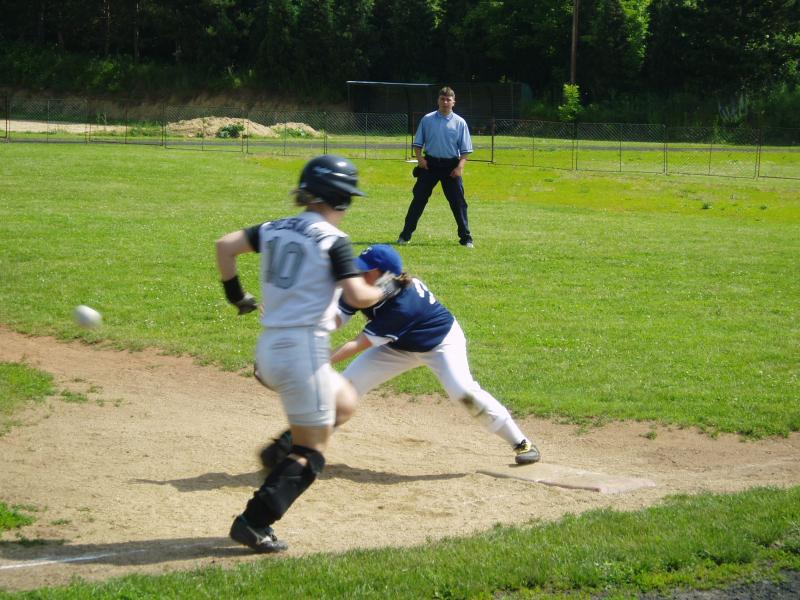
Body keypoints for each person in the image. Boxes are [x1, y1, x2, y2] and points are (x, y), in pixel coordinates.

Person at [216, 155, 400, 553]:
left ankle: (278, 453)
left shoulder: (273, 228)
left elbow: (225, 247)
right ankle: (254, 522)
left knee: (345, 401)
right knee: (312, 453)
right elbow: (356, 295)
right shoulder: (334, 241)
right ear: (337, 198)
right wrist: (386, 289)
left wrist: (239, 297)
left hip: (270, 349)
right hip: (303, 352)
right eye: (346, 199)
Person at [260, 245, 540, 471]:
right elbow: (334, 319)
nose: (359, 275)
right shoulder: (360, 289)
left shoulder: (404, 304)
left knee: (464, 393)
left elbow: (357, 344)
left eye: (366, 272)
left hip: (441, 344)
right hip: (397, 346)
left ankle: (521, 443)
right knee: (346, 389)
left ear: (384, 276)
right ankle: (295, 444)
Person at [397, 86, 475, 248]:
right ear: (438, 100)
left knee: (458, 203)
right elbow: (418, 144)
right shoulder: (427, 119)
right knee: (418, 200)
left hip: (451, 167)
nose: (445, 102)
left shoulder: (460, 123)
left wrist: (460, 167)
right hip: (429, 165)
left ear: (454, 102)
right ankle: (405, 236)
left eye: (448, 99)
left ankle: (466, 238)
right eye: (442, 99)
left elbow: (465, 151)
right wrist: (420, 160)